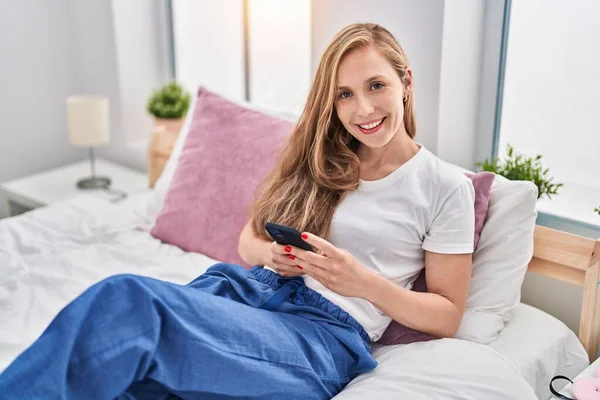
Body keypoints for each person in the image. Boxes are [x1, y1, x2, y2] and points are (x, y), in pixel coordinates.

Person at [0, 23, 474, 399]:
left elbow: (447, 315)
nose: (363, 108)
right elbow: (249, 238)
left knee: (129, 304)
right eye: (344, 94)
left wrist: (360, 281)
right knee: (121, 374)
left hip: (322, 337)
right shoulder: (322, 157)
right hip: (252, 290)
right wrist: (272, 256)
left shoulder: (445, 187)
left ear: (405, 83)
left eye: (376, 85)